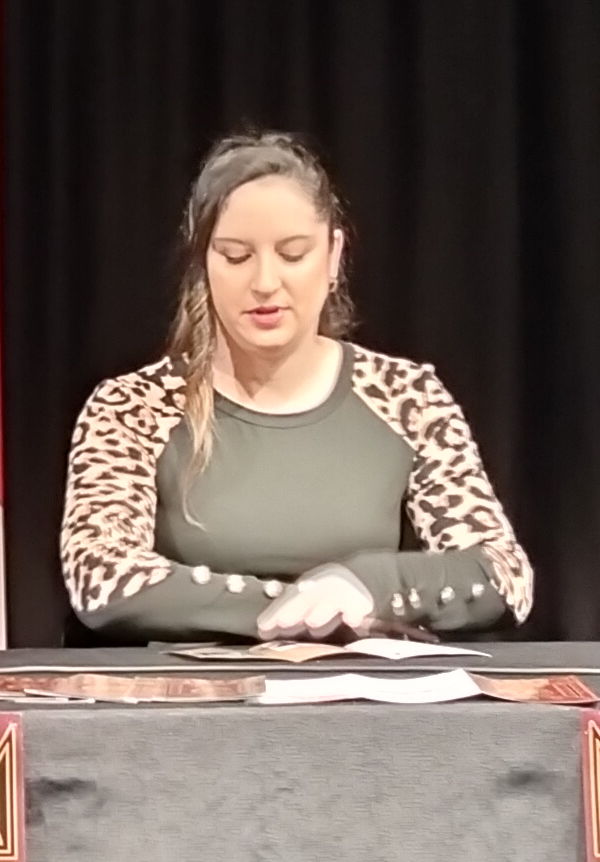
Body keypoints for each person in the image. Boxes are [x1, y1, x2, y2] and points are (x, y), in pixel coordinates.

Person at [60, 131, 532, 643]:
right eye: (236, 256)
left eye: (292, 254)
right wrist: (306, 610)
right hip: (193, 693)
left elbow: (503, 574)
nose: (265, 282)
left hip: (362, 693)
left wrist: (368, 584)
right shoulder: (132, 407)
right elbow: (101, 575)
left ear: (333, 257)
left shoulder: (409, 397)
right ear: (204, 264)